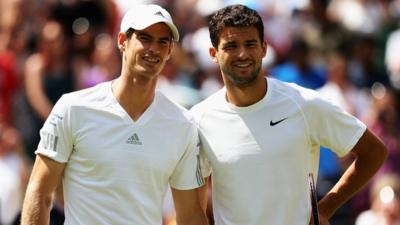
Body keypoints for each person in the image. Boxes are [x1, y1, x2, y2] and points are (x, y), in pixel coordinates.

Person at [190, 4, 388, 225]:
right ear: (213, 54)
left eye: (250, 44)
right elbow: (193, 210)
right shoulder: (199, 119)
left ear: (264, 48)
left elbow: (374, 152)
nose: (242, 53)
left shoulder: (304, 103)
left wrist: (325, 208)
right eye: (231, 46)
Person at [21, 4, 208, 225]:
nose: (154, 49)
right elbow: (39, 194)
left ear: (169, 51)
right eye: (145, 38)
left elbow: (190, 216)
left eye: (162, 42)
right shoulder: (73, 108)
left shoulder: (182, 124)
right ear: (122, 41)